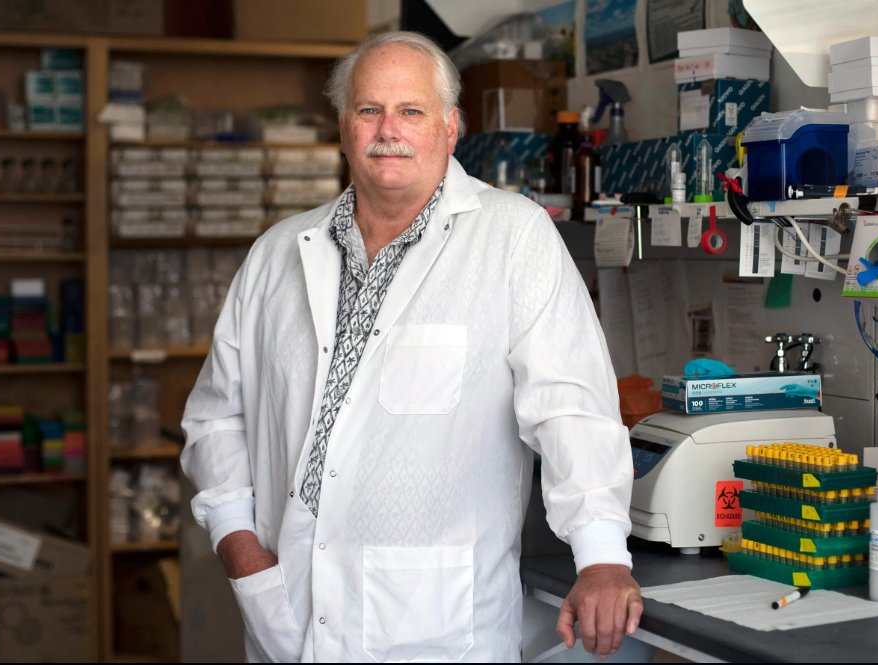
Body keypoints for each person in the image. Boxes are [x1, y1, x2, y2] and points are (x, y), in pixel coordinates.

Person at [181, 31, 642, 663]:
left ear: (451, 128)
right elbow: (216, 416)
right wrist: (239, 545)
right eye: (369, 110)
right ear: (344, 126)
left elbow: (571, 409)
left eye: (412, 111)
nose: (387, 129)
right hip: (284, 609)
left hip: (439, 628)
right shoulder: (277, 253)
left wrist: (602, 559)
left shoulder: (513, 237)